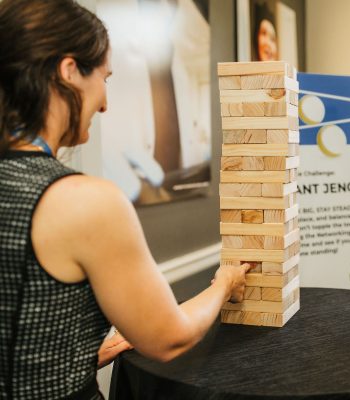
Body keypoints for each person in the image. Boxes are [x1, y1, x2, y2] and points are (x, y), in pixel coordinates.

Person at [0, 1, 249, 399]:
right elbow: (169, 339)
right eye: (104, 78)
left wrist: (69, 352)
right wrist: (225, 283)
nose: (104, 103)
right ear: (69, 73)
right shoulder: (84, 201)